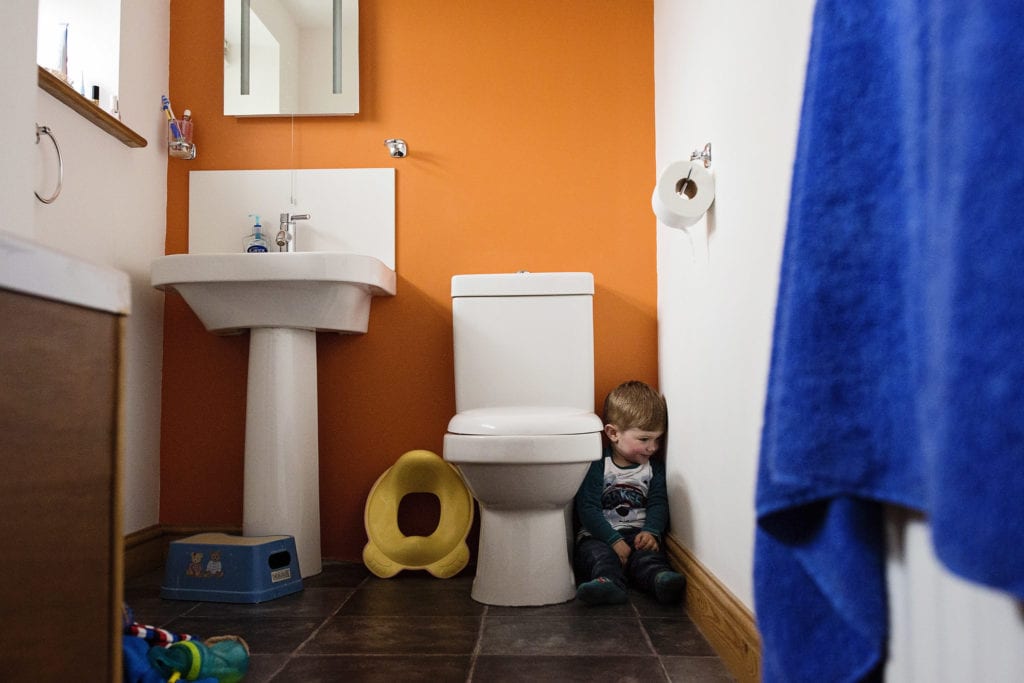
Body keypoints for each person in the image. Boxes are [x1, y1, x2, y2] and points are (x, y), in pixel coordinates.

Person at [573, 380, 686, 605]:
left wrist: (651, 531)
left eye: (658, 439)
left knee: (649, 558)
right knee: (598, 556)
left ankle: (659, 580)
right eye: (644, 439)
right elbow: (587, 507)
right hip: (599, 536)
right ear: (613, 433)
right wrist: (613, 540)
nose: (653, 447)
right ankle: (607, 583)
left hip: (637, 535)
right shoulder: (598, 465)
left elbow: (658, 503)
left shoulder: (654, 469)